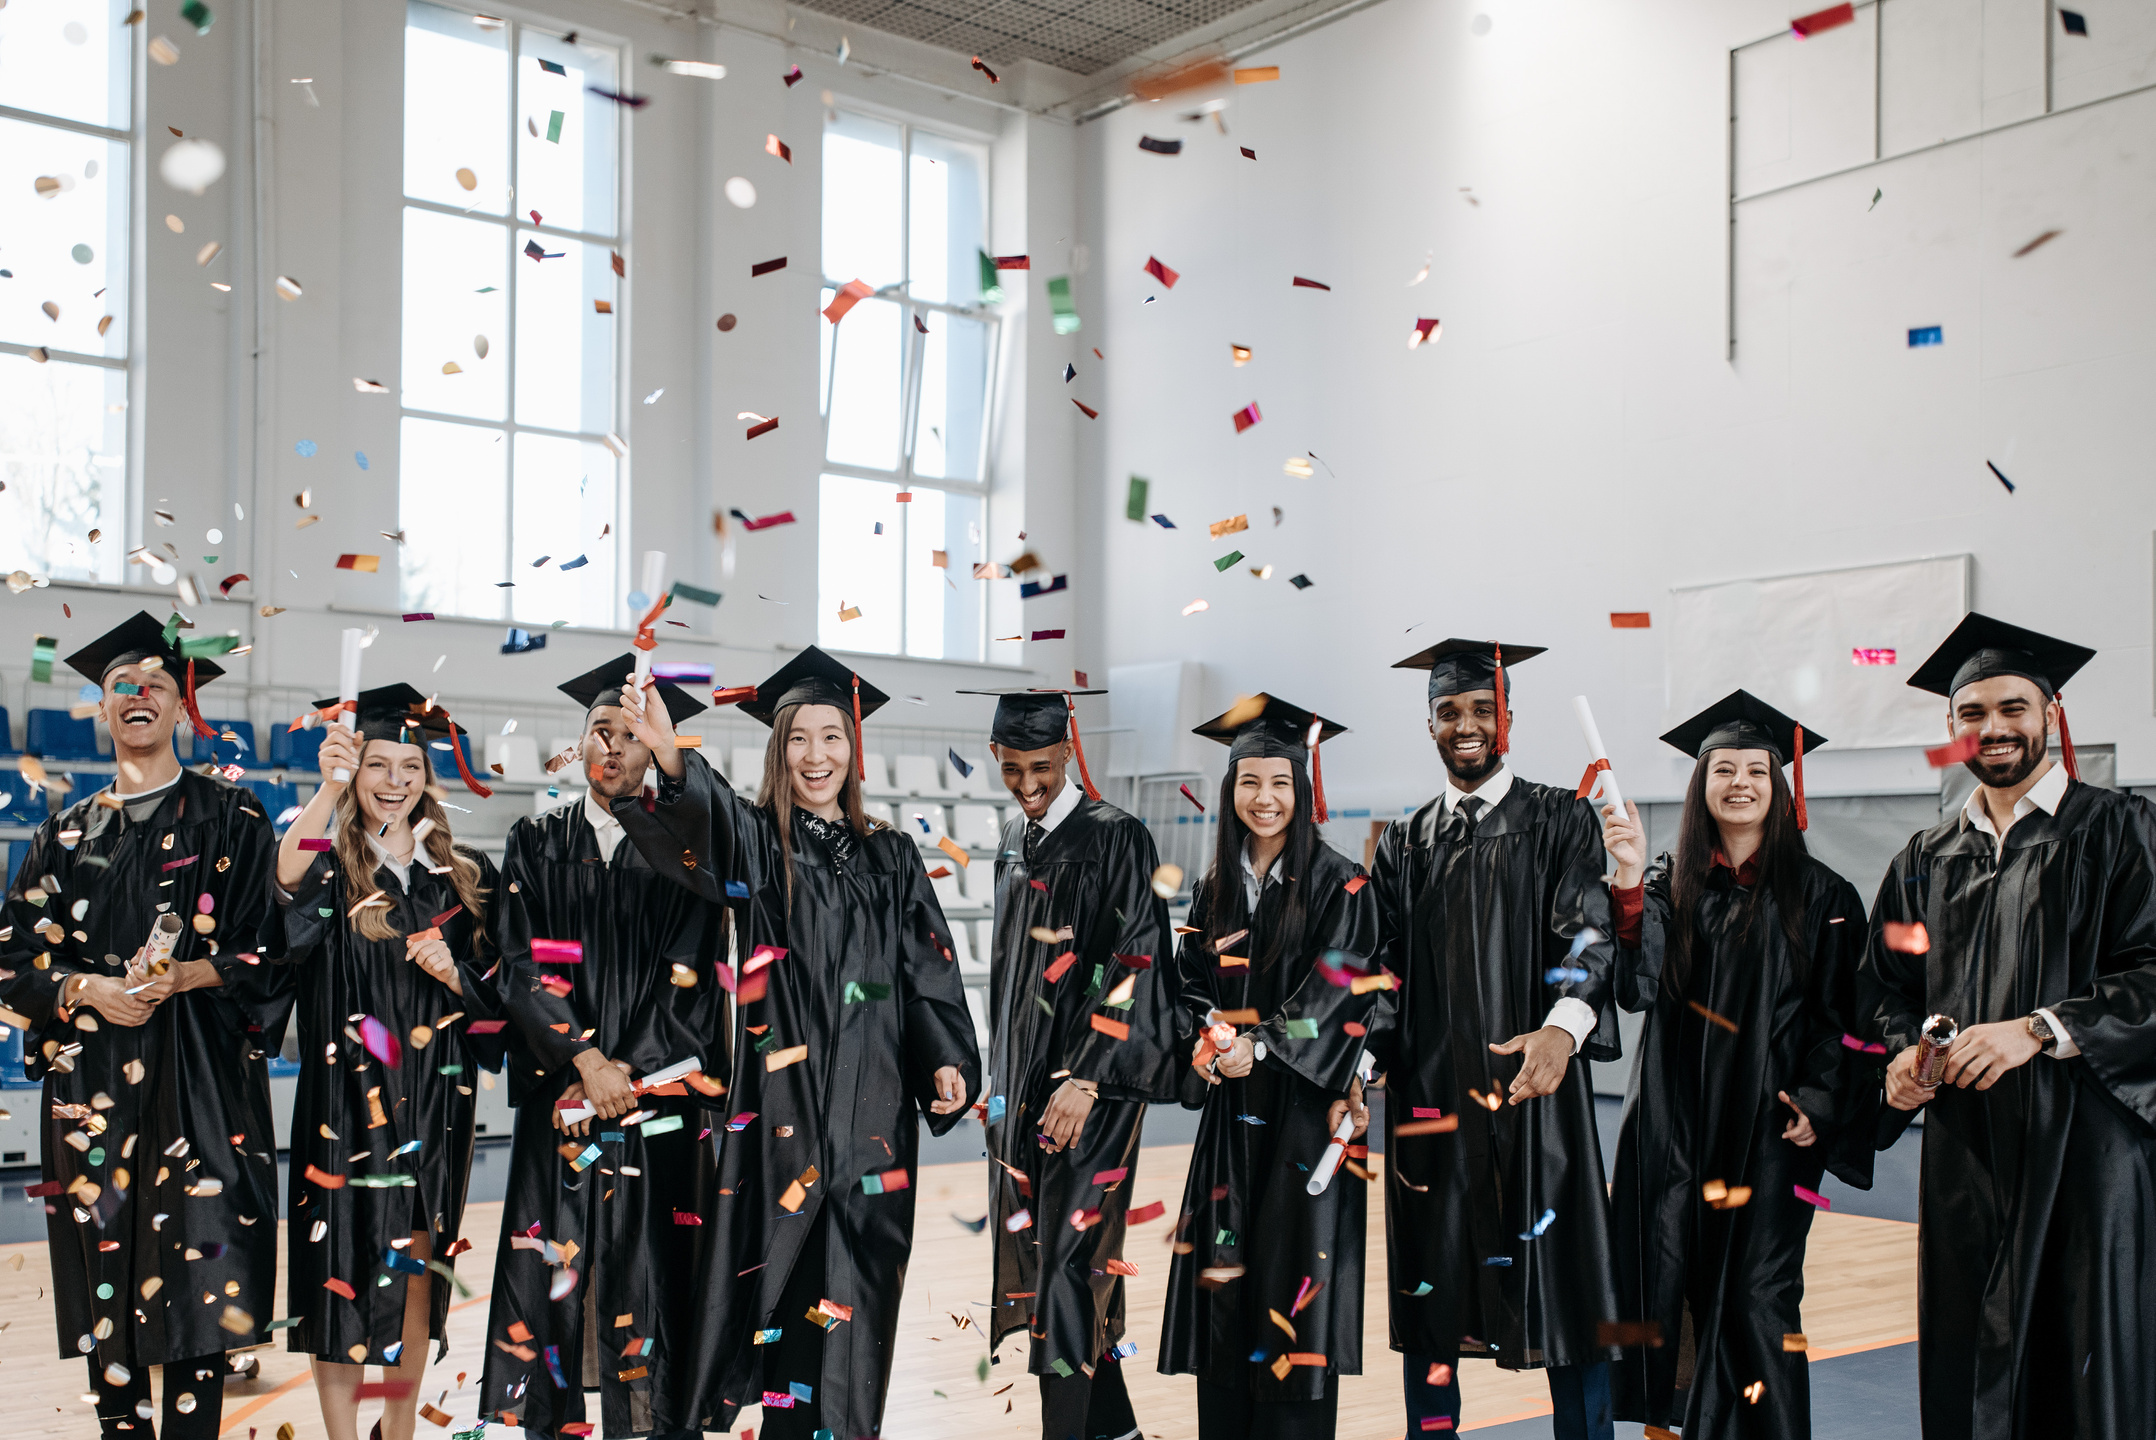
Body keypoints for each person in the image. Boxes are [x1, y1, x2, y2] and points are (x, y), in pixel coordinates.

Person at [612, 646, 980, 1440]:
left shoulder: (892, 855)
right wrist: (673, 757)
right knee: (789, 1311)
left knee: (860, 1317)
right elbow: (702, 826)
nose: (817, 756)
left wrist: (946, 1060)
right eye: (799, 740)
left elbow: (926, 974)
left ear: (855, 750)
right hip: (790, 1127)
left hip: (878, 1127)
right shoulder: (760, 845)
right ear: (778, 753)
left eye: (833, 737)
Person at [1862, 613, 2156, 1439]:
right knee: (1967, 1359)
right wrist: (1895, 1059)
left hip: (2088, 1156)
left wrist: (2039, 1028)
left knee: (2079, 1364)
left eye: (2013, 709)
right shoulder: (1925, 857)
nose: (1992, 729)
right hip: (1965, 1156)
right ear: (1950, 729)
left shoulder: (2118, 831)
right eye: (1972, 713)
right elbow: (1883, 989)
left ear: (2051, 714)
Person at [0, 612, 286, 1438]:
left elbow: (271, 952)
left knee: (200, 1271)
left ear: (181, 708)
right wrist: (87, 989)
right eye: (122, 685)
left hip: (202, 1085)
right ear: (100, 708)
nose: (139, 694)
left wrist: (192, 973)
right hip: (94, 1089)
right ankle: (117, 1426)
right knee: (107, 1266)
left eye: (158, 684)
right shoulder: (62, 834)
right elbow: (12, 961)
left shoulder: (233, 818)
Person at [1599, 691, 1876, 1438]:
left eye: (1758, 769)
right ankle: (1670, 1427)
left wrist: (1819, 1100)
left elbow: (1847, 1021)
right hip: (1673, 1125)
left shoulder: (1825, 898)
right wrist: (1625, 875)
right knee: (1667, 1282)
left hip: (1769, 1128)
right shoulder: (1668, 885)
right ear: (1702, 785)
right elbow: (1635, 982)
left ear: (1780, 788)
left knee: (1759, 1295)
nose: (1741, 783)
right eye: (1724, 769)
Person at [1366, 638, 1621, 1440]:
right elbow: (1381, 974)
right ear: (1430, 723)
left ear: (1506, 717)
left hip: (1535, 1103)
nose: (1466, 725)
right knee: (1434, 1299)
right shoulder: (1404, 845)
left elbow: (1587, 932)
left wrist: (1562, 1026)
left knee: (1564, 1292)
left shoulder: (1558, 818)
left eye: (1481, 709)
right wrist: (1360, 1061)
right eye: (1449, 712)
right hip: (1433, 1109)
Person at [478, 657, 725, 1440]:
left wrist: (627, 1076)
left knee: (648, 1286)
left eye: (629, 735)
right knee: (555, 1287)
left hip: (652, 1112)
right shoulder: (536, 841)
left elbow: (691, 976)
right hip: (563, 1106)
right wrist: (583, 1067)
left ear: (654, 750)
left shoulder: (684, 854)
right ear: (577, 744)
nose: (611, 747)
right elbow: (518, 965)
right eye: (598, 731)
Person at [269, 685, 507, 1440]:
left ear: (427, 778)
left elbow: (502, 1003)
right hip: (344, 1102)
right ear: (356, 769)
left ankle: (396, 1432)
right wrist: (326, 788)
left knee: (415, 1275)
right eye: (378, 764)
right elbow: (279, 886)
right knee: (336, 1271)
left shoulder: (463, 878)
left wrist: (455, 977)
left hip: (438, 1105)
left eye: (411, 765)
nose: (395, 780)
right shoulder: (330, 867)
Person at [1159, 694, 1387, 1440]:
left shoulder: (1342, 884)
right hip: (1230, 1123)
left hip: (1301, 1121)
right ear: (1230, 792)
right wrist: (1207, 1037)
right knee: (1226, 1296)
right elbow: (1187, 984)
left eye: (1280, 783)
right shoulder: (1213, 889)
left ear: (1304, 789)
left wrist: (1258, 1046)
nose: (1265, 799)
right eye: (1249, 783)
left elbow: (1339, 986)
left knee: (1295, 1298)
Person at [957, 686, 1180, 1440]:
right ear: (995, 755)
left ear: (1068, 751)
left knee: (1068, 1272)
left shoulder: (1117, 836)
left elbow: (1139, 960)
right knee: (1056, 1262)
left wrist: (1086, 1074)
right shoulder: (1010, 841)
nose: (1028, 784)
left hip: (1095, 1093)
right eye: (1012, 767)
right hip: (1023, 1093)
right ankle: (1118, 1428)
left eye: (1043, 767)